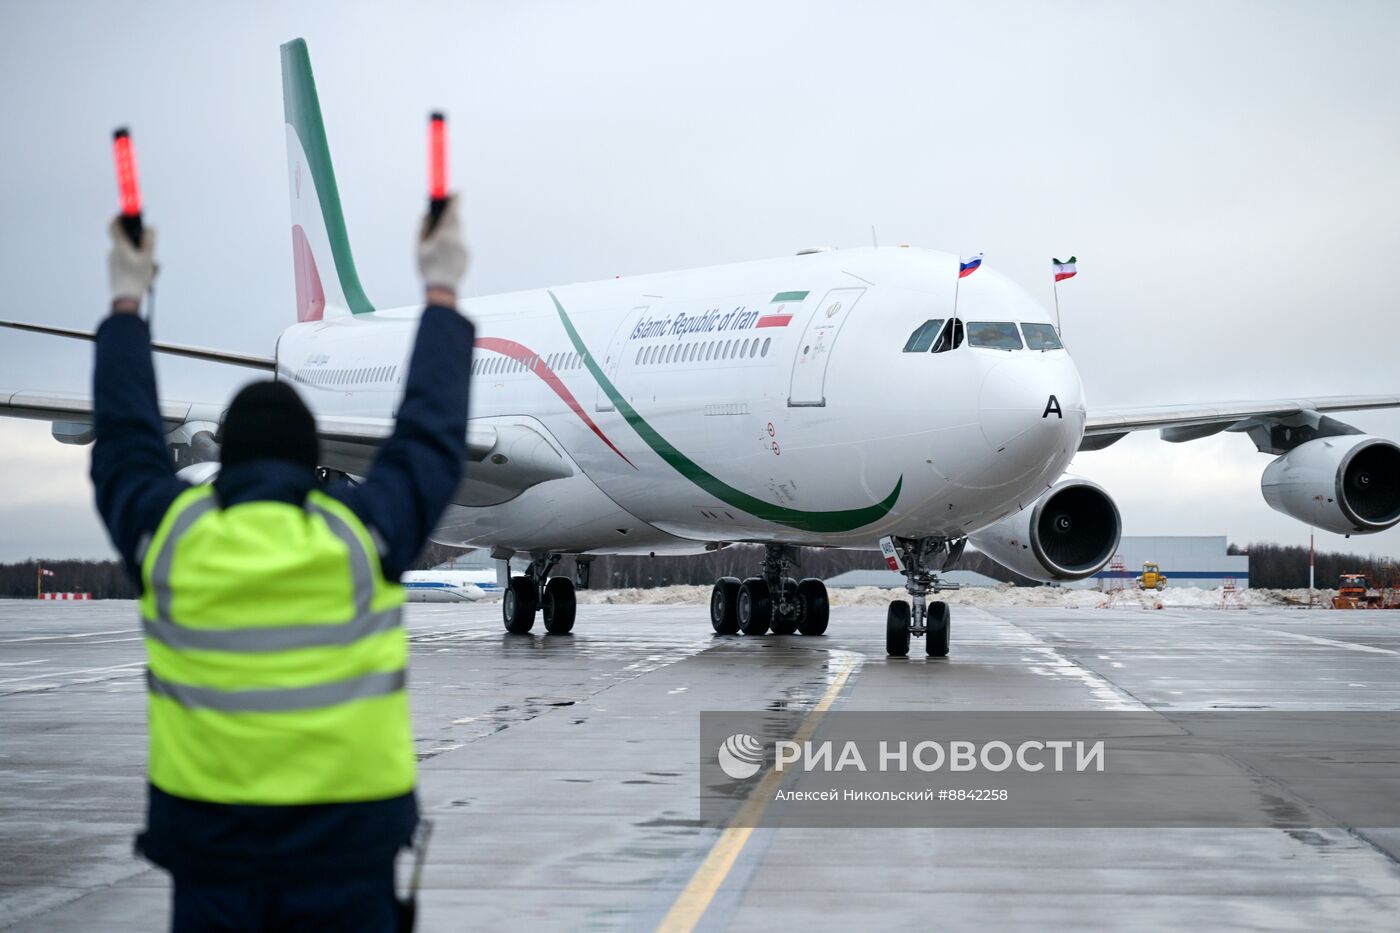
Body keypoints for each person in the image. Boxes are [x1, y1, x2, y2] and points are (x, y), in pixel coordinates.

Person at [92, 198, 473, 931]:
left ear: (226, 458)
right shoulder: (359, 541)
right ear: (313, 463)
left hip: (212, 871)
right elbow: (430, 436)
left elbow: (123, 442)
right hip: (347, 871)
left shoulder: (175, 541)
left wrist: (125, 301)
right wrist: (443, 292)